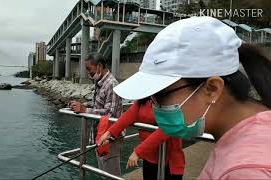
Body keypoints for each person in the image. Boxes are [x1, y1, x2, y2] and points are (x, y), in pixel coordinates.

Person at [112, 16, 271, 179]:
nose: (154, 105)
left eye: (160, 95)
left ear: (212, 89)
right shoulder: (249, 138)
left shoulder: (247, 171)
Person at [98, 97, 185, 180]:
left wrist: (138, 152)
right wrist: (109, 133)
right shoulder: (144, 99)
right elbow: (128, 115)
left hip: (170, 161)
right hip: (149, 157)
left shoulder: (172, 99)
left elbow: (167, 128)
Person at [70, 53, 123, 177]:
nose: (88, 73)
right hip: (100, 134)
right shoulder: (100, 82)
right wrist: (83, 105)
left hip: (110, 137)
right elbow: (97, 105)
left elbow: (111, 113)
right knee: (104, 173)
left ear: (99, 66)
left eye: (89, 69)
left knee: (112, 175)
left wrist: (85, 110)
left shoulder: (111, 84)